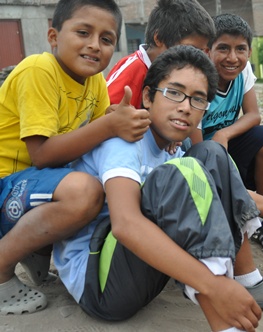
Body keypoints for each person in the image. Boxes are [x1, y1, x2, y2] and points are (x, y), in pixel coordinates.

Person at [53, 45, 263, 330]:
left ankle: (247, 280)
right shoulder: (123, 143)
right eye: (174, 93)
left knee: (211, 154)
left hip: (139, 273)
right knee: (188, 170)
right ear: (147, 97)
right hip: (100, 284)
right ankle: (223, 315)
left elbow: (230, 195)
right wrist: (214, 286)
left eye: (198, 100)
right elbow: (125, 224)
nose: (185, 107)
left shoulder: (172, 151)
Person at [0, 0, 150, 315]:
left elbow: (93, 144)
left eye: (107, 39)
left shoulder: (94, 81)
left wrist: (113, 122)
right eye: (83, 32)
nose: (94, 45)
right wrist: (108, 126)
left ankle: (36, 253)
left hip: (30, 184)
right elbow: (42, 154)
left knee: (103, 181)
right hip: (6, 183)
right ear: (53, 36)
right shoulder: (39, 69)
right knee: (84, 192)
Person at [190, 14, 263, 254]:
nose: (233, 58)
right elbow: (195, 148)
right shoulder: (198, 79)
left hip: (225, 143)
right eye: (223, 48)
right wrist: (217, 145)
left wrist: (224, 133)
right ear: (207, 51)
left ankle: (262, 221)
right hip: (197, 153)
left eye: (240, 49)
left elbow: (253, 115)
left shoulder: (242, 71)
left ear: (249, 52)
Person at [106, 0, 215, 152]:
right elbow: (106, 114)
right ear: (159, 38)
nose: (195, 57)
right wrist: (160, 132)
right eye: (191, 49)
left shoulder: (181, 75)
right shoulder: (132, 69)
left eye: (201, 51)